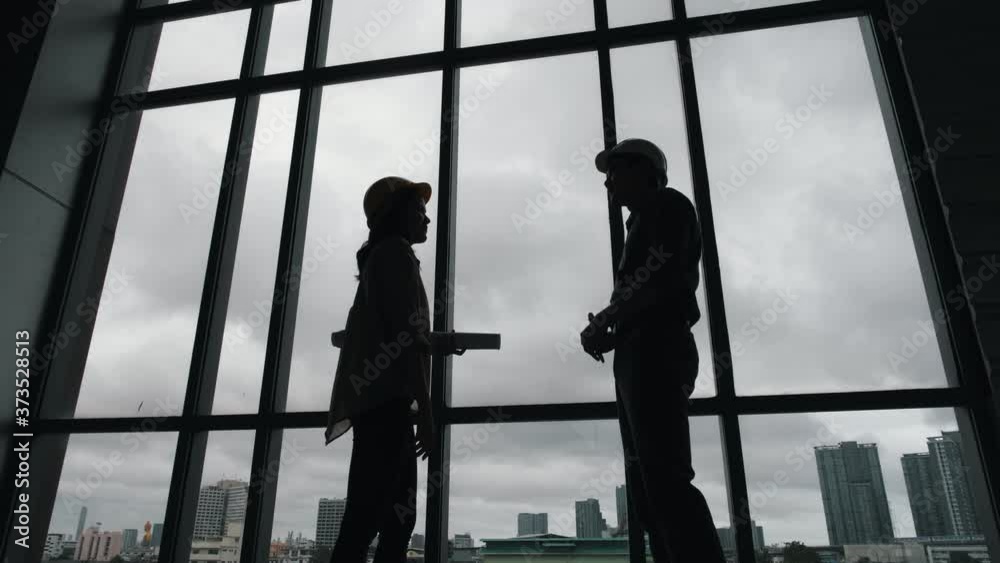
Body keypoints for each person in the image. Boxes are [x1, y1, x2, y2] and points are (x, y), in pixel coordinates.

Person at [579, 139, 725, 563]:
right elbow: (646, 292)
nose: (608, 183)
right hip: (639, 349)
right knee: (649, 488)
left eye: (616, 172)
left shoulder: (668, 207)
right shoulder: (642, 222)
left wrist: (609, 316)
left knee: (664, 480)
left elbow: (658, 281)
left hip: (657, 348)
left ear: (648, 173)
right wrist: (613, 329)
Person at [325, 176, 441, 563]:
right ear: (396, 215)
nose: (427, 220)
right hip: (387, 408)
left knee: (379, 518)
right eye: (420, 211)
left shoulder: (382, 258)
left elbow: (389, 333)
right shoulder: (396, 255)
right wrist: (425, 414)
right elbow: (406, 340)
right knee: (381, 520)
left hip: (377, 406)